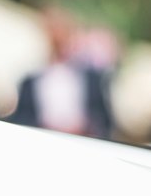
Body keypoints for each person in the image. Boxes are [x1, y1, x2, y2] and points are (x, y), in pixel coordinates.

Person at [9, 7, 115, 140]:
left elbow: (105, 121)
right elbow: (21, 121)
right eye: (53, 32)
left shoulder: (92, 79)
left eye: (62, 31)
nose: (58, 38)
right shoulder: (30, 82)